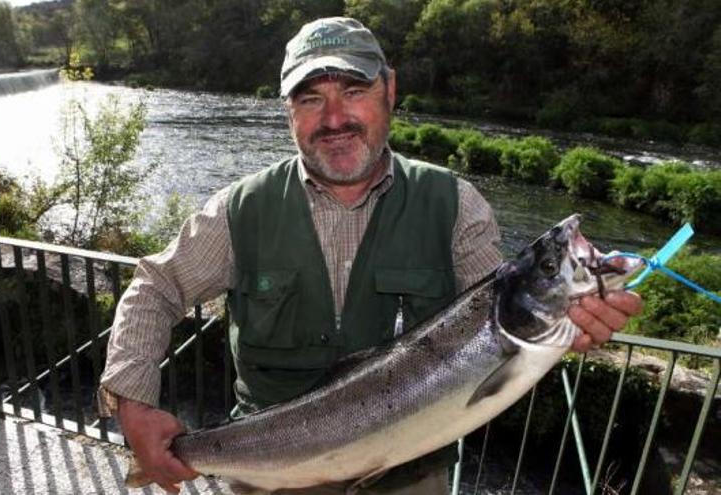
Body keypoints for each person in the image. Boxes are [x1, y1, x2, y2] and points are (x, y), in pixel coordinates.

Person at [98, 17, 643, 495]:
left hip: (410, 475)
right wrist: (133, 401)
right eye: (311, 99)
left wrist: (577, 324)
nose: (334, 118)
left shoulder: (455, 205)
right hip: (274, 473)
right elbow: (156, 286)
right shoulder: (239, 210)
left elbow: (504, 327)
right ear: (288, 111)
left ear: (389, 91)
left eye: (354, 90)